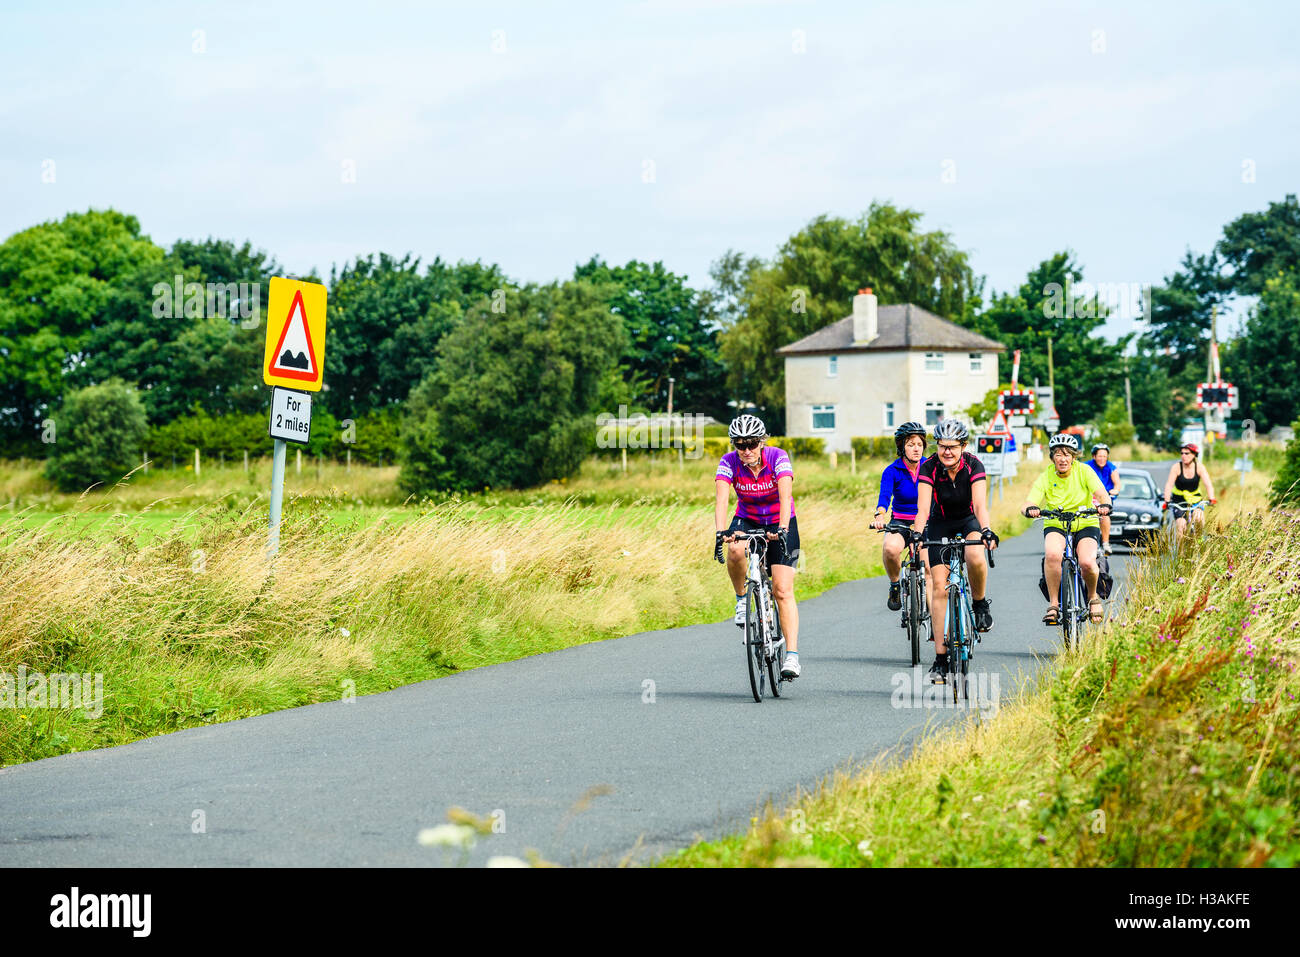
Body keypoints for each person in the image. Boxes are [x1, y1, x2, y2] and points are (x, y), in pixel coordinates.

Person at [910, 418, 998, 684]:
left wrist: (986, 530)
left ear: (963, 446)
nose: (947, 452)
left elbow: (981, 505)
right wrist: (916, 533)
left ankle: (980, 603)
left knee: (974, 556)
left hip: (968, 521)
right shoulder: (929, 467)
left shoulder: (974, 465)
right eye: (942, 446)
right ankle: (940, 658)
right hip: (939, 524)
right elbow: (923, 509)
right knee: (939, 587)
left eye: (953, 447)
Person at [714, 414, 802, 678]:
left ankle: (792, 657)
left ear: (762, 442)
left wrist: (783, 529)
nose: (747, 450)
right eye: (740, 445)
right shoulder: (728, 462)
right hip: (747, 517)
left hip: (780, 520)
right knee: (735, 549)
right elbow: (721, 499)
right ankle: (742, 599)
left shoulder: (778, 456)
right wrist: (721, 532)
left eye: (752, 443)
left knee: (782, 590)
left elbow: (785, 496)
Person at [1023, 433, 1113, 625]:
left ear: (1074, 457)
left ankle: (1092, 597)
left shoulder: (1085, 471)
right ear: (1052, 457)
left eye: (1067, 454)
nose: (1063, 459)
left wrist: (1105, 505)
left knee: (1087, 562)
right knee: (1053, 555)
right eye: (1058, 454)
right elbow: (1030, 500)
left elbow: (1102, 494)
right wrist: (1030, 509)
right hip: (1056, 523)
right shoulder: (1046, 475)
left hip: (1085, 521)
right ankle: (1054, 604)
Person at [871, 422, 927, 612]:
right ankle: (895, 585)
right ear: (901, 447)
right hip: (901, 521)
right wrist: (880, 515)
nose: (916, 449)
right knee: (890, 549)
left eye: (919, 444)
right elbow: (884, 497)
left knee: (928, 566)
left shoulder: (930, 466)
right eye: (911, 444)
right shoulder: (892, 471)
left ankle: (932, 611)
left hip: (926, 521)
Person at [1162, 443, 1216, 539]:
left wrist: (1211, 498)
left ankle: (1199, 543)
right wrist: (1166, 500)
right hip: (1179, 502)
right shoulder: (1176, 467)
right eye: (1182, 453)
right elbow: (1169, 484)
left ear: (1194, 455)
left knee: (1199, 519)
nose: (1183, 456)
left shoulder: (1199, 467)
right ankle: (1181, 551)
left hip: (1195, 501)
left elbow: (1208, 484)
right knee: (1181, 525)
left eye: (1187, 453)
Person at [1086, 444, 1119, 554]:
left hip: (1104, 498)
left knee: (1104, 515)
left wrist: (1115, 490)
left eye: (1105, 456)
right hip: (1090, 497)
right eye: (1100, 456)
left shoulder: (1110, 467)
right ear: (1094, 456)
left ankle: (1105, 542)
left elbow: (1117, 484)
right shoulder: (1087, 466)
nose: (1102, 459)